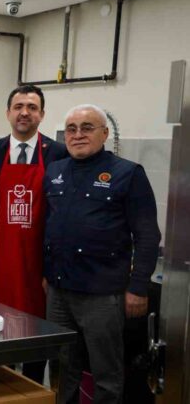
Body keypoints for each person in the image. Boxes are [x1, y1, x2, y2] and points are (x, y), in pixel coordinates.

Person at [43, 104, 160, 404]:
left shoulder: (128, 174)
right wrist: (47, 273)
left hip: (102, 295)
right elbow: (51, 226)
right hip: (59, 291)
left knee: (105, 373)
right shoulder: (55, 171)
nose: (78, 135)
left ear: (105, 133)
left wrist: (138, 287)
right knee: (63, 367)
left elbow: (147, 235)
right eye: (71, 129)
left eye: (87, 128)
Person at [0, 84, 67, 383]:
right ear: (8, 113)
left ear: (42, 114)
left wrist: (51, 267)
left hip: (37, 265)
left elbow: (62, 215)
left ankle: (30, 389)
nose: (24, 112)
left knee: (34, 332)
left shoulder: (58, 153)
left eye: (31, 107)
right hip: (0, 261)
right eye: (18, 107)